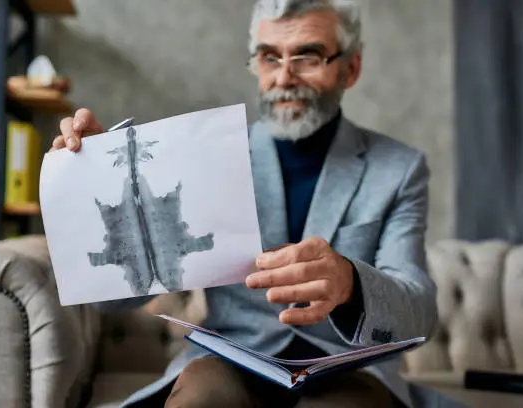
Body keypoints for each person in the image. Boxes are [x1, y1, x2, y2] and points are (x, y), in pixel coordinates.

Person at [52, 1, 464, 407]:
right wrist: (101, 182)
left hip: (349, 372)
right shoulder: (203, 154)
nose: (285, 77)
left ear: (350, 68)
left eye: (308, 56)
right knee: (203, 398)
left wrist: (350, 284)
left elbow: (419, 312)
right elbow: (108, 302)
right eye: (270, 57)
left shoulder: (398, 169)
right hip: (228, 360)